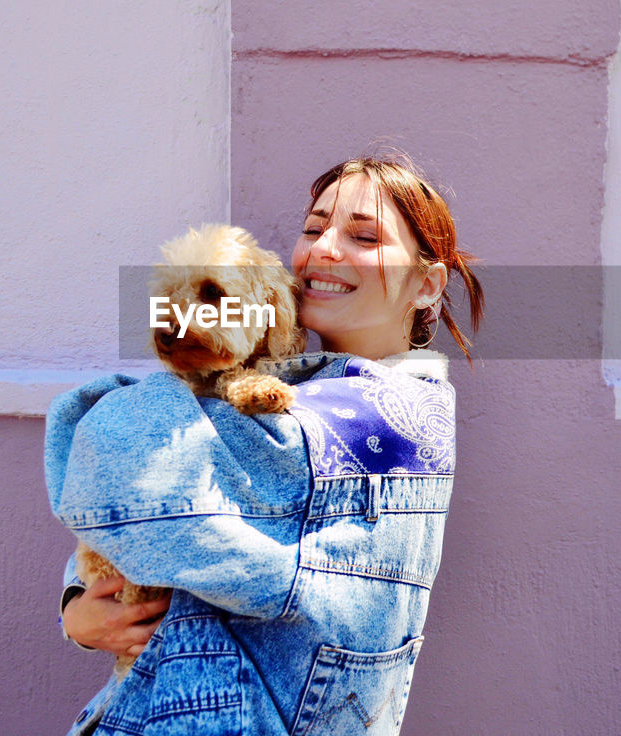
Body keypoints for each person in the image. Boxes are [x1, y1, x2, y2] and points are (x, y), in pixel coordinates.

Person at [47, 155, 484, 735]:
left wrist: (111, 410)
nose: (322, 249)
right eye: (313, 229)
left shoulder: (386, 415)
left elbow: (127, 471)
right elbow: (130, 533)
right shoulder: (304, 386)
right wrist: (81, 605)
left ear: (426, 283)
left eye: (362, 235)